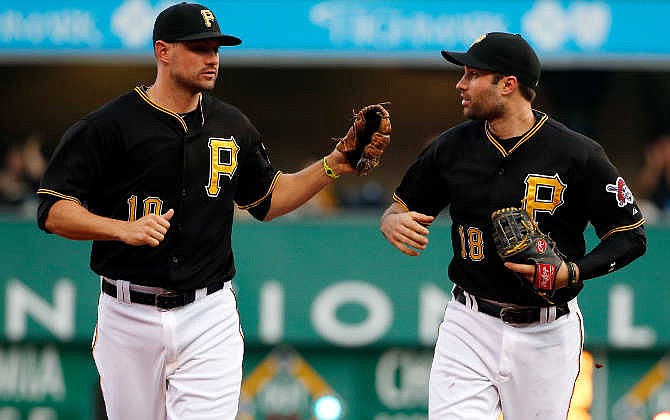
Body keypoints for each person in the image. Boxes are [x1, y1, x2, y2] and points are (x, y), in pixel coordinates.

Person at [36, 3, 384, 419]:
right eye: (199, 47)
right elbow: (53, 208)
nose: (212, 57)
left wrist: (334, 164)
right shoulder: (110, 126)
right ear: (162, 51)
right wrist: (119, 229)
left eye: (216, 48)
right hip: (128, 312)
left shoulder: (231, 124)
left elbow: (269, 199)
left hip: (208, 312)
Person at [380, 32, 646, 419]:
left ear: (508, 84)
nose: (460, 83)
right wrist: (391, 221)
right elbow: (400, 208)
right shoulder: (451, 147)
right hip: (468, 322)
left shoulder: (578, 154)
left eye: (472, 74)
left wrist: (572, 271)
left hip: (547, 331)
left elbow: (630, 236)